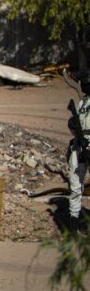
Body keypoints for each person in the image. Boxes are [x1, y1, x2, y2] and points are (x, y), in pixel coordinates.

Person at [67, 71, 90, 234]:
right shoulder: (83, 103)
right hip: (80, 147)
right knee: (75, 186)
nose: (84, 84)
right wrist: (73, 127)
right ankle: (73, 227)